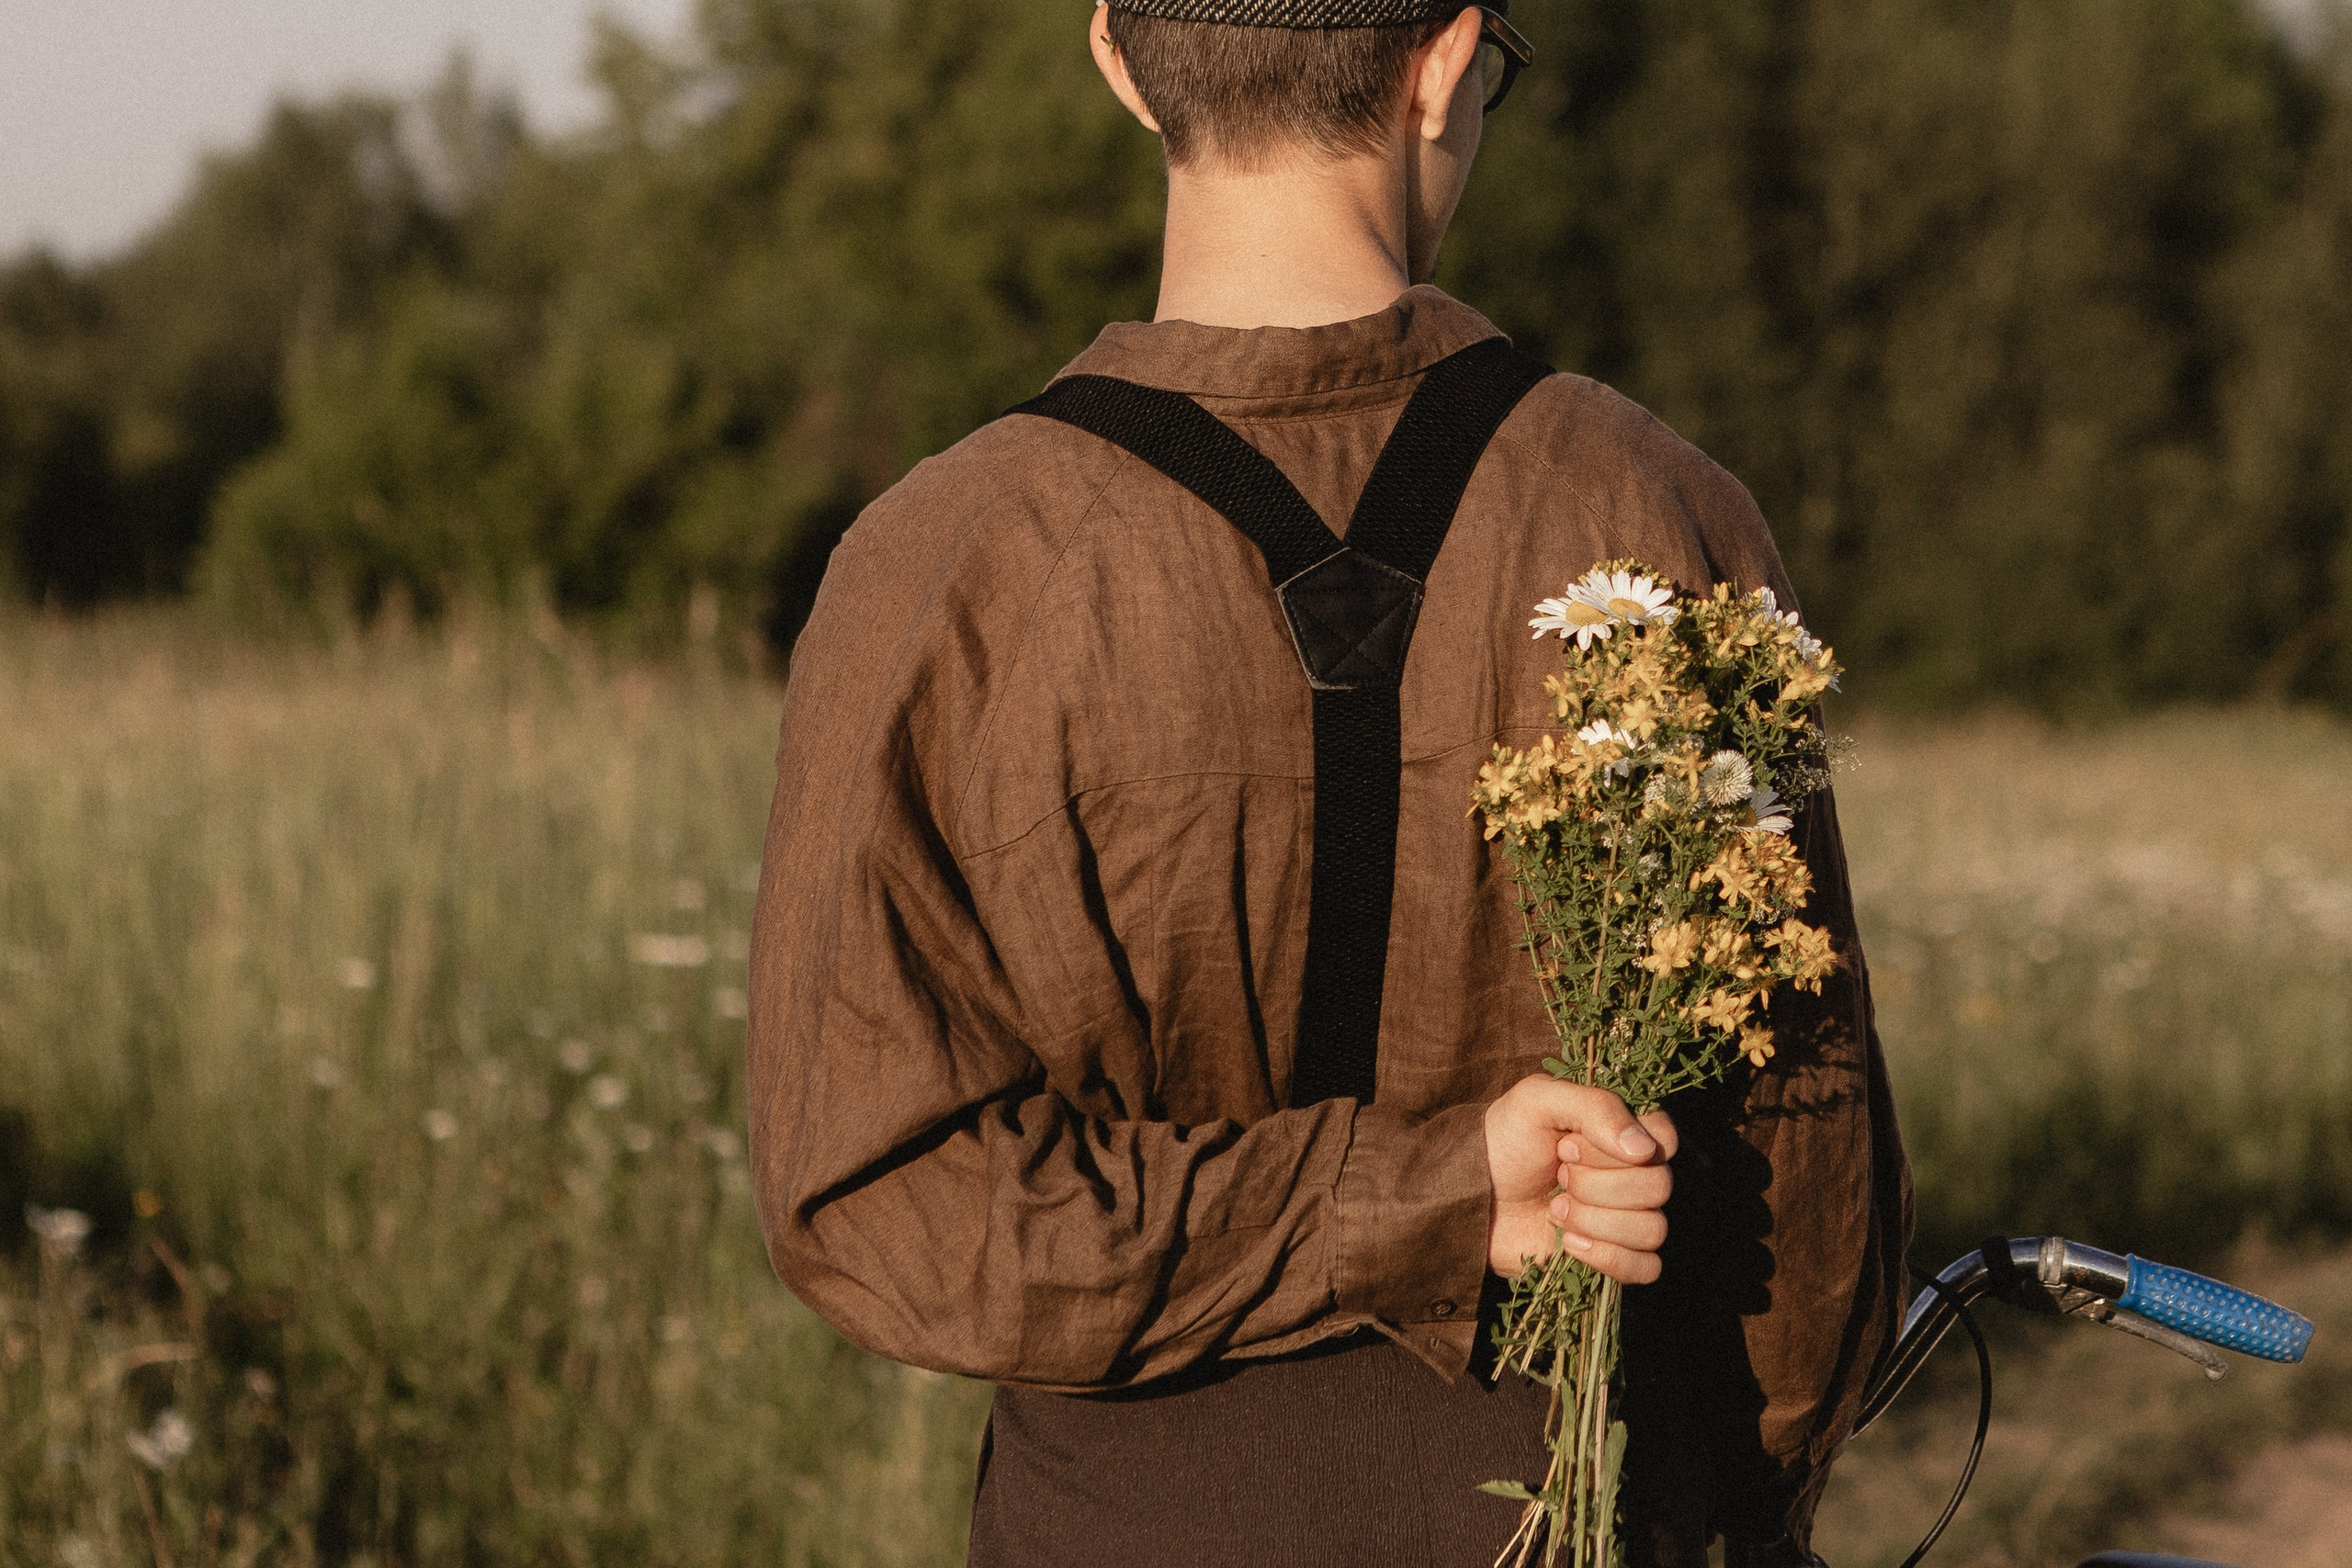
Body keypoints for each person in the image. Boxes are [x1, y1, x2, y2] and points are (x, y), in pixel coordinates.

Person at [746, 2, 1910, 1563]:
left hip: (1125, 1520)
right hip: (1592, 1502)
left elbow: (874, 1204)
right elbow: (1807, 1186)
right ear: (1441, 62)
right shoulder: (1654, 509)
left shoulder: (944, 563)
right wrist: (1738, 1498)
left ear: (1113, 56)